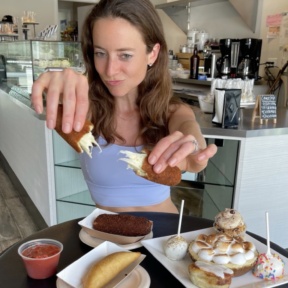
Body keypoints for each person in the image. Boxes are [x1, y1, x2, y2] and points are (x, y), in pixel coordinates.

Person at [31, 0, 217, 214]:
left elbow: (192, 139)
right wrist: (50, 87)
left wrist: (195, 151)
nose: (110, 70)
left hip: (164, 240)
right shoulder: (86, 109)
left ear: (152, 54)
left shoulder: (173, 113)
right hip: (103, 243)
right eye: (100, 53)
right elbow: (48, 103)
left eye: (125, 55)